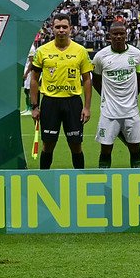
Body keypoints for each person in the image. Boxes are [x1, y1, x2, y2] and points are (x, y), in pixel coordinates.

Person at [30, 14, 93, 169]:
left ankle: (80, 180)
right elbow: (33, 80)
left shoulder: (80, 51)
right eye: (58, 27)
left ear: (70, 28)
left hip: (73, 103)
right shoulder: (42, 51)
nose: (61, 30)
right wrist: (35, 106)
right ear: (52, 28)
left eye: (64, 27)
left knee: (76, 145)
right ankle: (43, 179)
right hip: (50, 102)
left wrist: (86, 107)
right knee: (48, 145)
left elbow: (87, 80)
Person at [91, 21, 140, 168]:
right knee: (106, 150)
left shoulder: (137, 54)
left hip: (131, 111)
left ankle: (138, 180)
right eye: (115, 34)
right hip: (109, 112)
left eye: (122, 33)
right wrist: (106, 96)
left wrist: (133, 95)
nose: (119, 36)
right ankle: (103, 181)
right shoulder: (100, 56)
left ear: (126, 35)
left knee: (135, 149)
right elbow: (96, 80)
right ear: (110, 36)